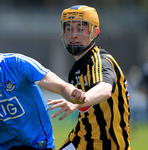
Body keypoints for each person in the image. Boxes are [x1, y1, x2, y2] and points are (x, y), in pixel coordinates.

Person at [0, 18, 86, 150]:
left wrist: (71, 91)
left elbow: (57, 84)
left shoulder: (16, 63)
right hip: (4, 147)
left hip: (38, 144)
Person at [47, 5, 130, 150]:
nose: (73, 34)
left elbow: (105, 89)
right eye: (69, 29)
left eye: (80, 29)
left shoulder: (101, 61)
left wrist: (77, 102)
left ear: (95, 32)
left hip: (109, 144)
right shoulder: (75, 70)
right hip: (81, 140)